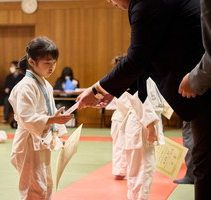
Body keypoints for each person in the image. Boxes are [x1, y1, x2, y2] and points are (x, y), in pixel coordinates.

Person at [76, 1, 210, 199]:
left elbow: (138, 60)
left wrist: (97, 89)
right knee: (202, 160)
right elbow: (145, 61)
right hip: (196, 86)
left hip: (204, 83)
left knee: (203, 162)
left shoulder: (146, 4)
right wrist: (113, 90)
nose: (110, 3)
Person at [9, 37, 73, 200]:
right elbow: (25, 117)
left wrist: (57, 138)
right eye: (47, 63)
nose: (52, 67)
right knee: (33, 189)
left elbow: (47, 115)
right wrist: (51, 120)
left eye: (54, 63)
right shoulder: (25, 86)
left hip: (41, 141)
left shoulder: (45, 84)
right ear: (32, 61)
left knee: (46, 184)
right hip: (28, 143)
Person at [177, 0, 211, 197]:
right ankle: (190, 173)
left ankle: (190, 174)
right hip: (197, 89)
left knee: (203, 158)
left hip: (201, 89)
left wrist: (195, 77)